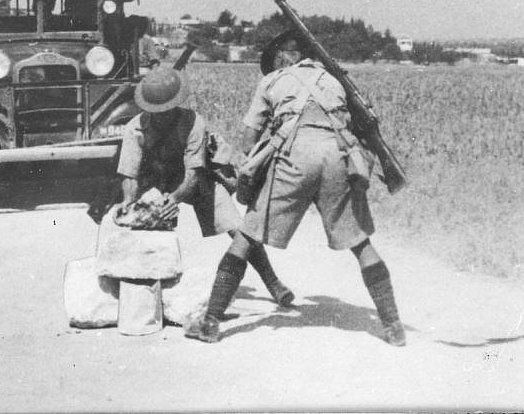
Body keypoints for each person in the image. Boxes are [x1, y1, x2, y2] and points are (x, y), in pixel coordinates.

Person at [183, 31, 405, 346]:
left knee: (246, 237)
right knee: (360, 243)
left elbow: (249, 139)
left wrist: (252, 171)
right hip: (337, 158)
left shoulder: (273, 81)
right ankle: (393, 326)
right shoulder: (336, 81)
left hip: (292, 159)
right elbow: (361, 127)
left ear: (286, 56)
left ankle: (210, 322)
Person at [111, 65, 294, 308]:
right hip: (155, 180)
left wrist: (174, 200)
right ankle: (129, 287)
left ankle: (272, 281)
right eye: (156, 111)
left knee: (239, 229)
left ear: (175, 105)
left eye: (166, 110)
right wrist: (129, 203)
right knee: (127, 220)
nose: (161, 115)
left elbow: (194, 174)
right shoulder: (135, 127)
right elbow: (130, 175)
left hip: (195, 181)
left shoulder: (193, 123)